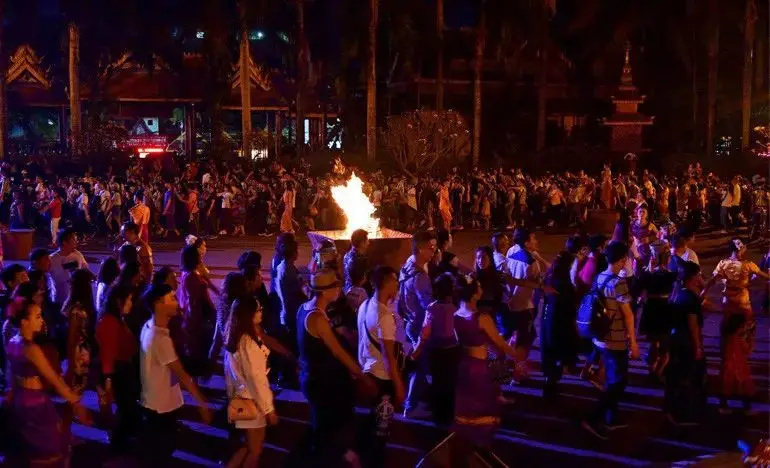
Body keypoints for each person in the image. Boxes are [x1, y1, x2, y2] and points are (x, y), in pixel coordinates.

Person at [296, 269, 375, 467]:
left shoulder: (304, 309)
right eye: (336, 286)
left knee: (322, 426)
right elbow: (339, 352)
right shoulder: (318, 318)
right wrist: (362, 377)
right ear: (325, 291)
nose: (339, 290)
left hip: (311, 378)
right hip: (323, 382)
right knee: (332, 427)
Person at [5, 295, 91, 466]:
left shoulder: (12, 342)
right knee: (52, 449)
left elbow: (12, 377)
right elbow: (53, 378)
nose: (41, 320)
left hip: (21, 401)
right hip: (36, 403)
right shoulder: (31, 348)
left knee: (34, 449)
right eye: (37, 316)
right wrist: (76, 402)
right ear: (24, 322)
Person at [139, 283, 212, 467]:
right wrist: (202, 403)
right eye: (172, 298)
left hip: (156, 402)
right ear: (158, 303)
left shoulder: (148, 326)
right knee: (163, 452)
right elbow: (182, 374)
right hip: (161, 407)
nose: (177, 302)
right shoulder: (160, 338)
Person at [453, 275, 524, 448]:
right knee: (482, 408)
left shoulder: (456, 314)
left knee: (467, 409)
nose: (481, 289)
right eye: (479, 286)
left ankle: (467, 448)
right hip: (478, 369)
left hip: (464, 366)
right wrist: (516, 355)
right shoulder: (481, 318)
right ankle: (481, 449)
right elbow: (499, 344)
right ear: (474, 295)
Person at [581, 241, 640, 440]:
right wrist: (633, 342)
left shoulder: (600, 277)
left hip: (599, 337)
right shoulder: (618, 282)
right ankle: (593, 418)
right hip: (615, 339)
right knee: (618, 382)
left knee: (613, 378)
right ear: (622, 259)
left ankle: (611, 417)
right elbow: (628, 315)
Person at [707, 238, 770, 413]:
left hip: (728, 304)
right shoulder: (748, 265)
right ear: (739, 250)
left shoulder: (723, 264)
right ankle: (743, 354)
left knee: (729, 341)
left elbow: (712, 280)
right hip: (743, 304)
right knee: (744, 338)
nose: (744, 251)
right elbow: (765, 277)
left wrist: (703, 291)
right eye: (742, 248)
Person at [357, 265, 406, 467]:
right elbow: (388, 357)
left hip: (368, 372)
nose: (397, 285)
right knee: (380, 433)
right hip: (383, 378)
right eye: (395, 281)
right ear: (386, 283)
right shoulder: (384, 316)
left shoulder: (365, 305)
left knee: (369, 428)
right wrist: (399, 386)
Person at [224, 296, 278, 468]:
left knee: (247, 447)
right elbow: (257, 379)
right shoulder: (248, 343)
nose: (261, 311)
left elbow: (229, 375)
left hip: (239, 398)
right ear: (249, 314)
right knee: (255, 451)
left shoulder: (235, 337)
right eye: (258, 309)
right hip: (252, 401)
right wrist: (269, 409)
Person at [410, 273, 460, 425]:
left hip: (436, 351)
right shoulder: (454, 308)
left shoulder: (432, 308)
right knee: (450, 383)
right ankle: (449, 415)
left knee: (438, 382)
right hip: (452, 351)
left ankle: (439, 416)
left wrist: (418, 349)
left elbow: (425, 331)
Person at [96, 285, 140, 452]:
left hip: (122, 371)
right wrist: (108, 384)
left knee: (126, 408)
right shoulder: (110, 322)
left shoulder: (118, 319)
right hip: (117, 373)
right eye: (128, 299)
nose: (131, 303)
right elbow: (108, 355)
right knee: (123, 409)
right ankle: (118, 446)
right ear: (118, 301)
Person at [398, 231, 436, 419]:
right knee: (420, 367)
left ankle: (419, 399)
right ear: (420, 249)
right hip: (420, 325)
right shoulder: (420, 276)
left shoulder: (408, 264)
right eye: (430, 247)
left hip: (410, 321)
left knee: (421, 365)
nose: (434, 250)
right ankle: (411, 406)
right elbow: (428, 306)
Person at [664, 261, 706, 425]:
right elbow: (692, 324)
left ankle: (670, 410)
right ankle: (682, 414)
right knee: (688, 377)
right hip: (686, 341)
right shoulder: (690, 298)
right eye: (699, 274)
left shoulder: (678, 293)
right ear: (694, 277)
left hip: (675, 339)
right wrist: (697, 346)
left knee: (676, 376)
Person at [504, 227, 542, 378]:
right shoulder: (532, 263)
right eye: (533, 239)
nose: (536, 241)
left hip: (511, 301)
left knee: (526, 334)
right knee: (524, 339)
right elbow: (536, 286)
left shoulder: (511, 251)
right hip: (525, 305)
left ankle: (511, 357)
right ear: (526, 242)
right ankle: (518, 373)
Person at [540, 251, 578, 399]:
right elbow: (568, 305)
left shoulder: (551, 275)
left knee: (550, 354)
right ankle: (550, 388)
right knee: (557, 355)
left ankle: (549, 384)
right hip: (559, 323)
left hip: (548, 319)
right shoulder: (564, 282)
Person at [636, 247, 677, 381]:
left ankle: (651, 369)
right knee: (665, 345)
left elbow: (638, 287)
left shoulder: (648, 275)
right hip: (664, 309)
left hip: (651, 309)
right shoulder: (670, 275)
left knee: (653, 341)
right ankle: (658, 373)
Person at [177, 244, 216, 378]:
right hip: (197, 316)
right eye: (198, 255)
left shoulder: (191, 273)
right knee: (198, 348)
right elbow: (193, 301)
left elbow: (209, 284)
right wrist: (194, 321)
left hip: (198, 314)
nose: (201, 257)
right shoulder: (191, 277)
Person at [49, 228, 89, 306]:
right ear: (64, 242)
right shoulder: (51, 259)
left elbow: (85, 270)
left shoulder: (78, 255)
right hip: (57, 301)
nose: (76, 242)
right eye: (74, 239)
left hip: (75, 301)